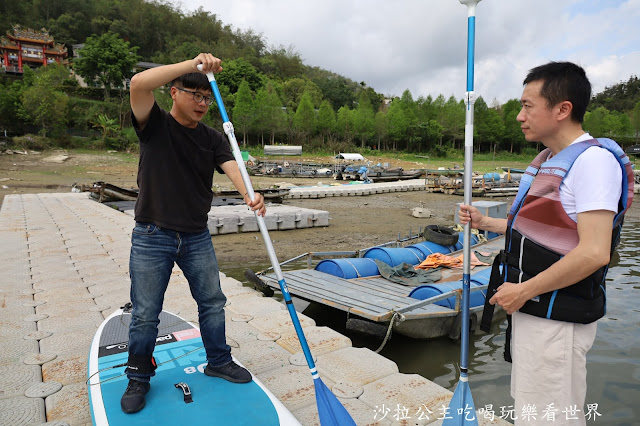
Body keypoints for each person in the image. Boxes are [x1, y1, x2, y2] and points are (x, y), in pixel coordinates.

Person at [459, 62, 633, 425]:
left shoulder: (593, 163)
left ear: (562, 109)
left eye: (527, 105)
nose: (520, 116)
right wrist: (485, 222)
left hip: (558, 315)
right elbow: (539, 230)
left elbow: (594, 252)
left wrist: (523, 290)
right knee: (531, 407)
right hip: (534, 307)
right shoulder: (548, 160)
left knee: (550, 415)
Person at [120, 53, 266, 414]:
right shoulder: (153, 124)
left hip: (196, 236)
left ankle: (218, 360)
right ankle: (138, 376)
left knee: (213, 302)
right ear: (174, 92)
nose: (202, 103)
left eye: (207, 98)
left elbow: (232, 166)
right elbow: (139, 84)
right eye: (194, 95)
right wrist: (192, 65)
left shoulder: (213, 138)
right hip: (153, 234)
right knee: (145, 312)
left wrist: (250, 194)